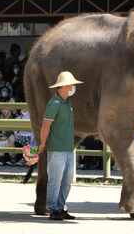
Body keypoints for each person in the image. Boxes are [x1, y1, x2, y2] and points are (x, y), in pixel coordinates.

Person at [38, 71, 83, 220]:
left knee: (66, 181)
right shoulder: (54, 103)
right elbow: (46, 126)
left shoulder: (67, 103)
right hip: (56, 149)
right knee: (55, 180)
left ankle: (60, 207)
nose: (73, 87)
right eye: (71, 85)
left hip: (68, 149)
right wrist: (43, 143)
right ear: (63, 87)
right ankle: (53, 209)